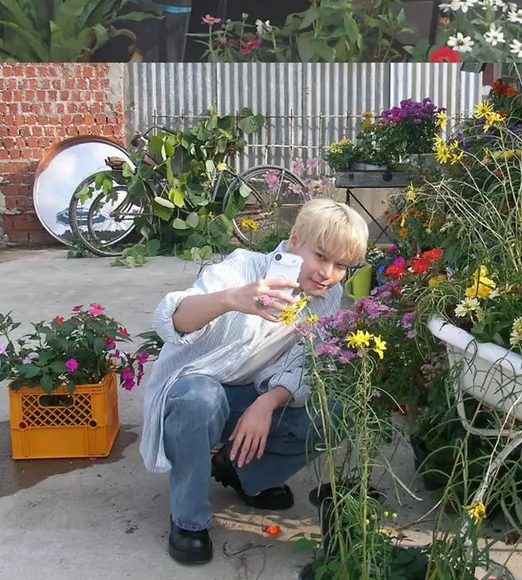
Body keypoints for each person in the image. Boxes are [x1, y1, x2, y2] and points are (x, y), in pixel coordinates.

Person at [139, 198, 369, 565]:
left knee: (337, 410)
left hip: (248, 396)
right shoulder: (243, 268)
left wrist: (268, 402)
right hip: (193, 395)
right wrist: (233, 299)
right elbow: (172, 320)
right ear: (295, 241)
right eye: (322, 256)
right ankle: (188, 519)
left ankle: (241, 470)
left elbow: (308, 363)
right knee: (199, 398)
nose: (328, 273)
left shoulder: (325, 297)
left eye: (341, 265)